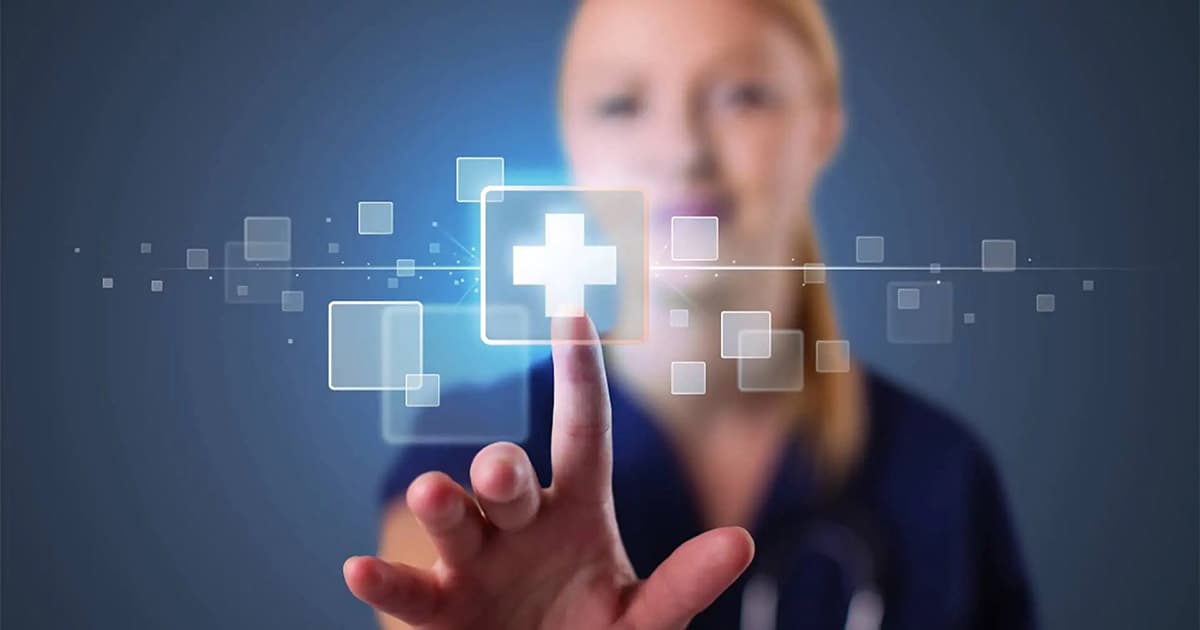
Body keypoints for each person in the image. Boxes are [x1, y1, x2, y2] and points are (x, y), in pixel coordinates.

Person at [344, 0, 1036, 627]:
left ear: (822, 128)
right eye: (620, 104)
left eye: (742, 96)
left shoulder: (942, 471)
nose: (682, 150)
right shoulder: (478, 447)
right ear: (571, 144)